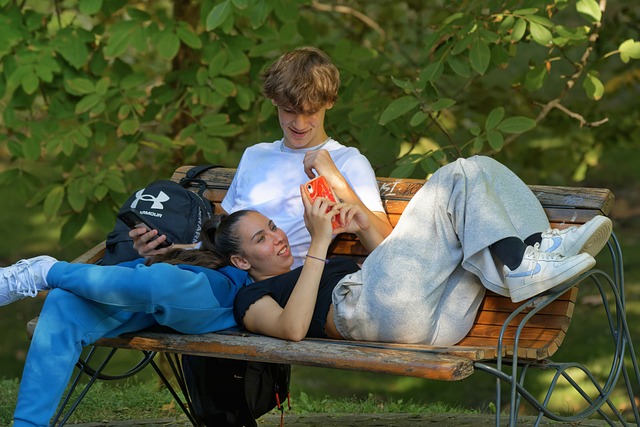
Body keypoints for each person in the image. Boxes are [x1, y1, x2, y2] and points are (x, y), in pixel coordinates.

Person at [214, 156, 612, 345]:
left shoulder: (307, 267)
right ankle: (522, 262)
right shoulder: (250, 298)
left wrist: (363, 223)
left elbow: (407, 265)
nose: (277, 236)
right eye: (261, 239)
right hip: (374, 315)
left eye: (271, 226)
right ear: (241, 261)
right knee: (456, 174)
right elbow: (292, 330)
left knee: (480, 168)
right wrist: (319, 241)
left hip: (438, 322)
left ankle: (531, 252)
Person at [131, 46, 393, 268]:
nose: (299, 124)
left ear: (330, 102)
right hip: (226, 270)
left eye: (310, 112)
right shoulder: (256, 154)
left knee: (139, 286)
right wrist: (168, 252)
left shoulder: (347, 161)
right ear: (274, 101)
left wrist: (336, 181)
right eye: (289, 110)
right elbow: (222, 241)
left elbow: (386, 248)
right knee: (131, 271)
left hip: (277, 283)